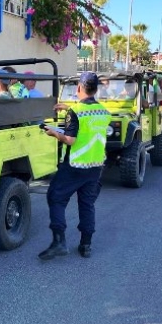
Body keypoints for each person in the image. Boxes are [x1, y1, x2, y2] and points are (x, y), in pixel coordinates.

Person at [38, 72, 111, 259]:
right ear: (95, 89)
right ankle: (86, 245)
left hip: (75, 165)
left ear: (79, 87)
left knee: (56, 197)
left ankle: (59, 242)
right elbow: (88, 122)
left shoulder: (75, 112)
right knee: (87, 204)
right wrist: (68, 108)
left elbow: (70, 139)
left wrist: (54, 133)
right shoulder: (103, 111)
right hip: (95, 166)